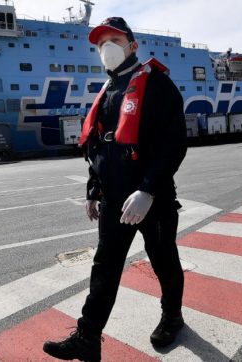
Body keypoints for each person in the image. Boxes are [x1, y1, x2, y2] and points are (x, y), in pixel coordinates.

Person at [43, 17, 188, 361]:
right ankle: (88, 337)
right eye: (100, 43)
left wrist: (149, 190)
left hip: (152, 200)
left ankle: (173, 317)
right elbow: (99, 147)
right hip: (113, 200)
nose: (105, 47)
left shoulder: (157, 85)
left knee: (164, 261)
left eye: (113, 39)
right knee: (104, 267)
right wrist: (94, 190)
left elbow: (174, 144)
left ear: (132, 46)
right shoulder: (108, 91)